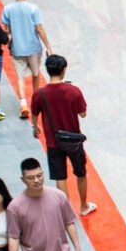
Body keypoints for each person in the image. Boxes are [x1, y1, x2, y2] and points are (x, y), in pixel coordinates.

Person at [31, 54, 94, 216]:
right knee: (80, 173)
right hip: (73, 140)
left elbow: (34, 114)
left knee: (60, 176)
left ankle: (66, 210)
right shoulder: (73, 91)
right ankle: (84, 205)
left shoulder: (40, 93)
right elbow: (83, 114)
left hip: (53, 141)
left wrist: (35, 128)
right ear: (64, 70)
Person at [2, 0, 52, 118]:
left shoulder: (8, 9)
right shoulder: (33, 8)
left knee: (19, 76)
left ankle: (23, 103)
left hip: (17, 48)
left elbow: (6, 30)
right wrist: (48, 46)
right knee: (35, 74)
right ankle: (36, 100)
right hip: (33, 47)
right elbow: (39, 28)